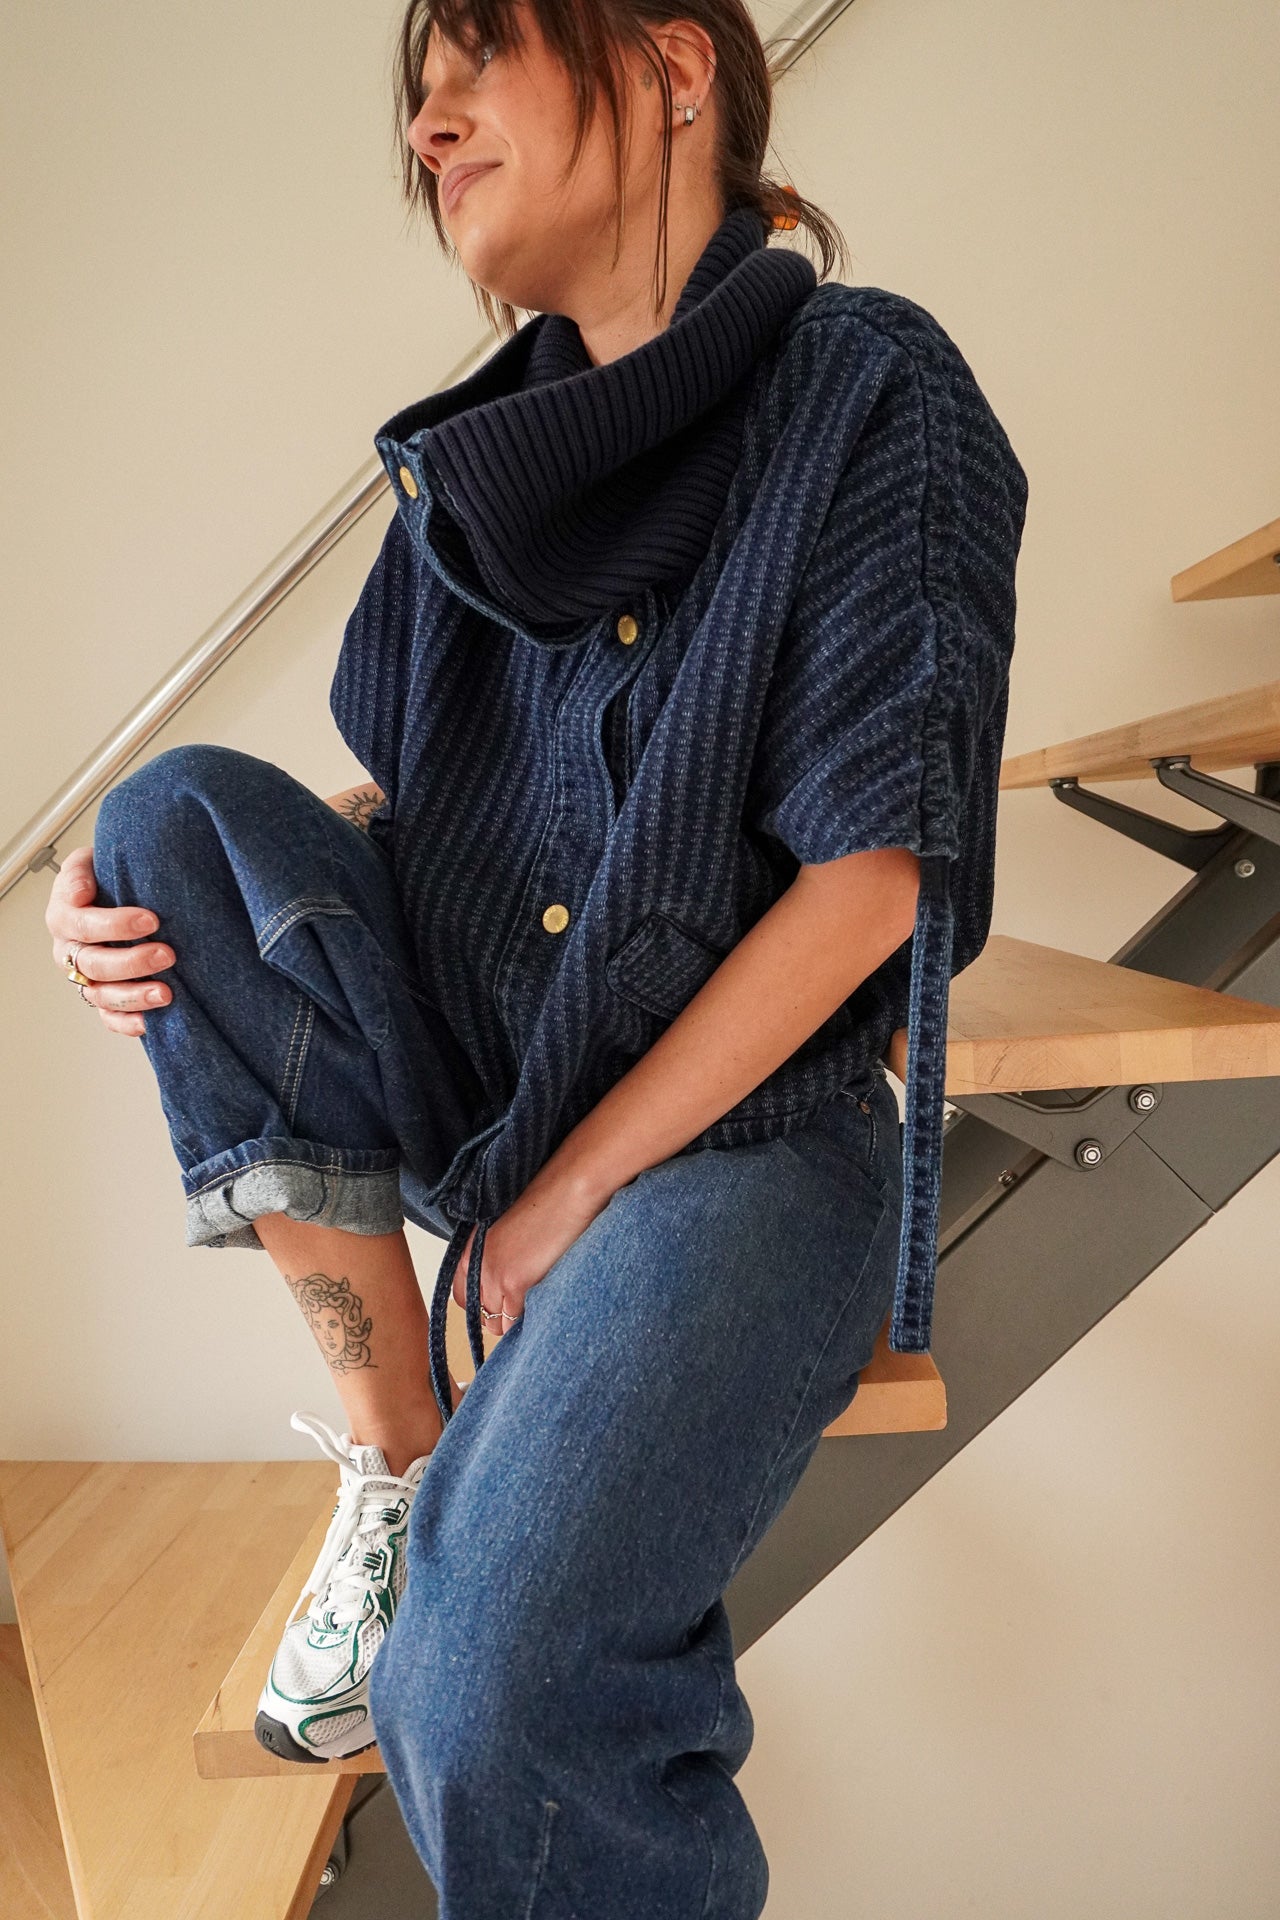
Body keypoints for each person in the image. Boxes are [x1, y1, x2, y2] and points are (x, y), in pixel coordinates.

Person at [44, 2, 1028, 1913]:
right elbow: (429, 807)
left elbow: (873, 881)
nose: (427, 126)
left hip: (746, 1153)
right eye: (415, 99)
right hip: (499, 1082)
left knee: (488, 1694)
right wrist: (142, 912)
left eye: (475, 59)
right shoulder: (481, 462)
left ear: (674, 64)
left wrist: (568, 1196)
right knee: (166, 818)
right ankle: (400, 1456)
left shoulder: (867, 388)